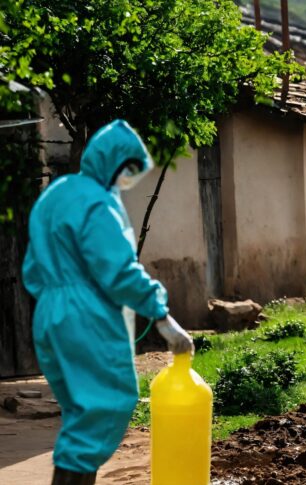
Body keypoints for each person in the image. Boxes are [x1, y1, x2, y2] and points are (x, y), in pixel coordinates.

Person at [22, 120, 194, 485]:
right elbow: (117, 270)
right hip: (86, 314)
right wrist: (161, 314)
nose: (126, 179)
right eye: (126, 169)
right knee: (106, 403)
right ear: (112, 162)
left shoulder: (57, 193)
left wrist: (59, 302)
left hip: (50, 314)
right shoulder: (98, 204)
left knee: (81, 411)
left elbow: (33, 268)